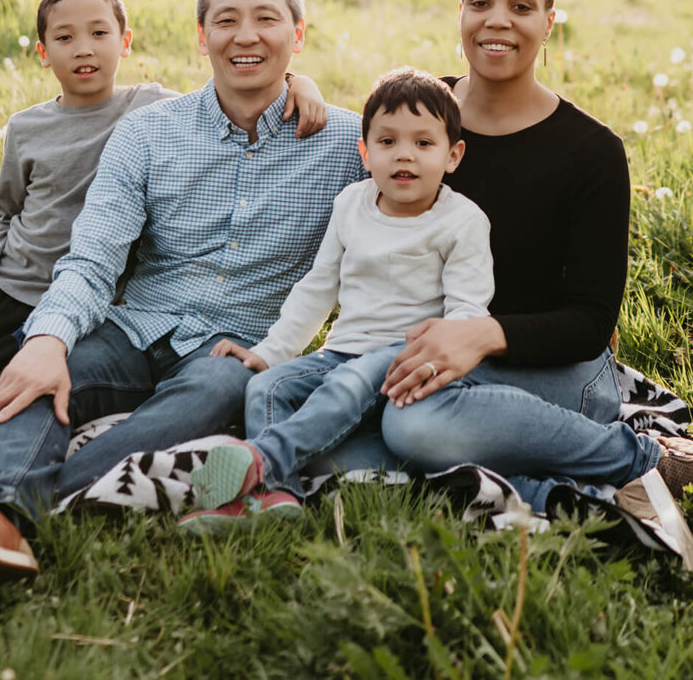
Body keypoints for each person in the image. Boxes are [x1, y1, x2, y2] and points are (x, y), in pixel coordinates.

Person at [0, 0, 365, 590]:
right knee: (35, 371)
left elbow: (439, 127)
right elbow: (93, 256)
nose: (245, 36)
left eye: (266, 19)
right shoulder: (147, 134)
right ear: (201, 37)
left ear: (297, 35)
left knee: (217, 394)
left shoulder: (349, 143)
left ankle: (12, 510)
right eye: (225, 20)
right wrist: (49, 340)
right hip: (134, 325)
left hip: (235, 348)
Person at [248, 0, 693, 526]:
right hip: (420, 358)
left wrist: (482, 335)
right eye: (480, 2)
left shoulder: (591, 152)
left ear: (549, 23)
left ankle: (645, 461)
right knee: (320, 428)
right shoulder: (424, 117)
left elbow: (591, 322)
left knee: (409, 422)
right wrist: (297, 80)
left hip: (551, 369)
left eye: (521, 6)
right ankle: (547, 490)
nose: (497, 20)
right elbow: (358, 130)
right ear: (461, 13)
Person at [0, 0, 327, 380]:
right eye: (65, 38)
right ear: (44, 53)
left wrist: (296, 82)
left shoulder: (150, 107)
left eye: (99, 33)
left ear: (125, 42)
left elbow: (227, 94)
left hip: (100, 295)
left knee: (74, 377)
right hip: (15, 287)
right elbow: (6, 216)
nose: (84, 48)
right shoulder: (26, 128)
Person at [177, 68, 494, 531]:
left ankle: (259, 462)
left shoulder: (462, 221)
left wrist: (437, 367)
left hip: (406, 356)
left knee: (345, 386)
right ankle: (277, 496)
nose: (404, 155)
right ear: (365, 152)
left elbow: (467, 310)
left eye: (423, 144)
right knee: (267, 388)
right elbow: (318, 286)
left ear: (453, 155)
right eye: (387, 142)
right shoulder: (351, 203)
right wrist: (270, 353)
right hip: (342, 352)